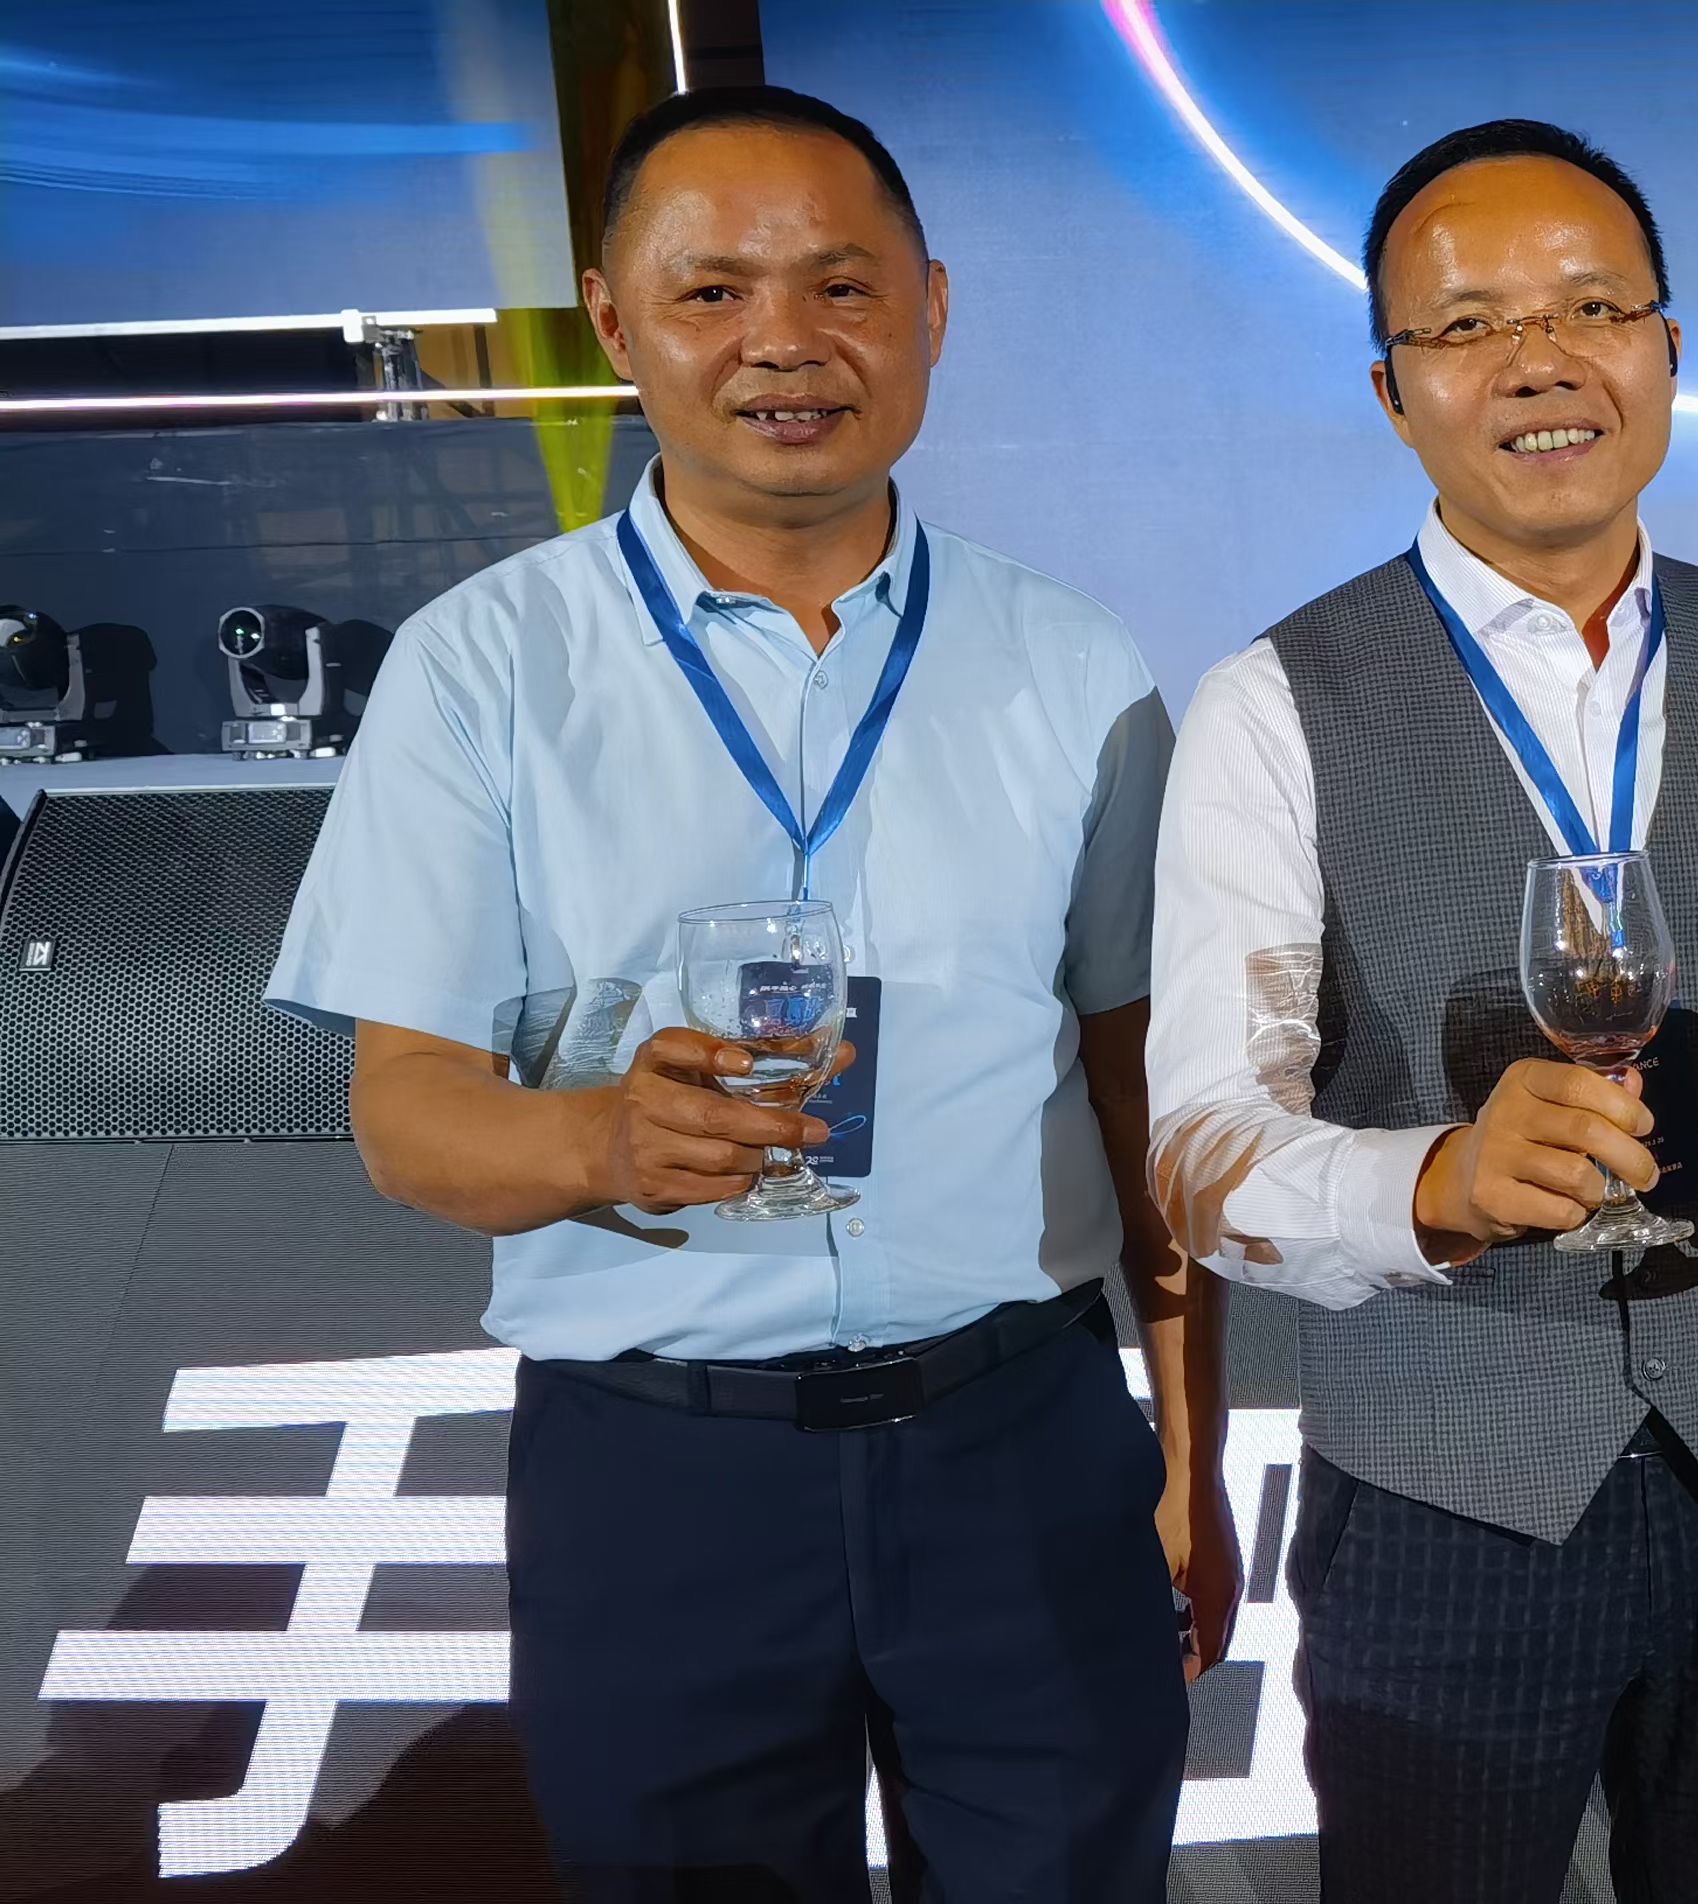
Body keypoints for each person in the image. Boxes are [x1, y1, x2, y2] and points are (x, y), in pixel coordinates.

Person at [264, 85, 1227, 1899]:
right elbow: (407, 1118)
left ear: (931, 311)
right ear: (614, 323)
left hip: (1022, 1446)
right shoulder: (482, 668)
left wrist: (1188, 1447)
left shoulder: (1075, 663)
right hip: (660, 1478)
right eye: (713, 293)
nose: (785, 340)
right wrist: (600, 1141)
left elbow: (1140, 1089)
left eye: (842, 286)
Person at [1145, 119, 1698, 1902]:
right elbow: (1197, 1149)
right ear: (1394, 391)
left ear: (1670, 350)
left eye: (1591, 308)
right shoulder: (1272, 701)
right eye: (1469, 324)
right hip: (1442, 1503)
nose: (1541, 361)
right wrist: (1433, 1183)